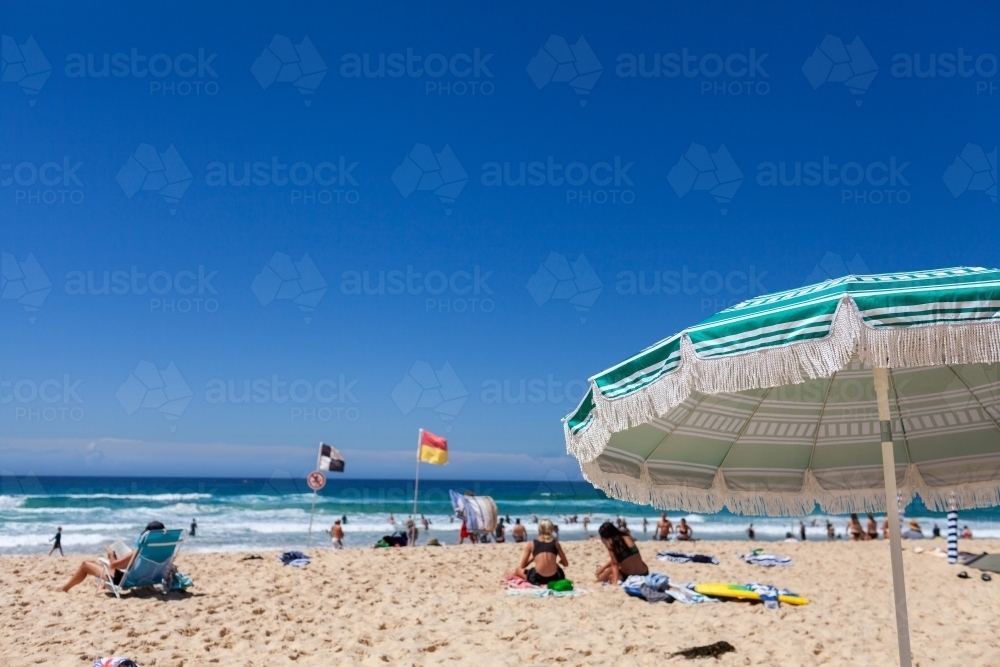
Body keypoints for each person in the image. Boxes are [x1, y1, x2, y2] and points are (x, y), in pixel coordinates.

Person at [60, 521, 164, 593]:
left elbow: (114, 565)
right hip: (148, 578)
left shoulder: (139, 551)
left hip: (126, 580)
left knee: (85, 565)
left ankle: (64, 588)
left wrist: (111, 555)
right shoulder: (163, 550)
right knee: (108, 566)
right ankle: (102, 583)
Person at [513, 519, 569, 586]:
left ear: (539, 529)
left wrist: (532, 558)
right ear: (551, 529)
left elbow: (522, 565)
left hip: (538, 578)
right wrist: (560, 562)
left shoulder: (532, 544)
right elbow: (566, 564)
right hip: (555, 577)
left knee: (518, 569)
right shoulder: (556, 543)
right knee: (556, 565)